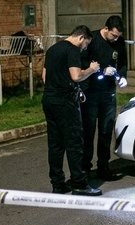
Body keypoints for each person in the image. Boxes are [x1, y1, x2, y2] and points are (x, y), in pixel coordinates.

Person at [42, 25, 102, 196]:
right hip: (65, 102)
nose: (85, 48)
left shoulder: (52, 49)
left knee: (55, 144)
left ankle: (58, 184)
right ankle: (79, 184)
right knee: (74, 143)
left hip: (49, 99)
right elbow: (76, 76)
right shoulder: (72, 50)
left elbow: (44, 77)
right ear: (82, 38)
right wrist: (91, 69)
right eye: (86, 45)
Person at [81, 15, 129, 180]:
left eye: (118, 36)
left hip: (109, 92)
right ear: (106, 29)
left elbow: (122, 62)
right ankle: (85, 168)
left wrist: (122, 76)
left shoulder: (119, 42)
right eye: (113, 35)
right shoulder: (92, 40)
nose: (115, 39)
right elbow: (83, 63)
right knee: (88, 131)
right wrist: (100, 72)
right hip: (91, 91)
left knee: (106, 130)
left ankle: (103, 166)